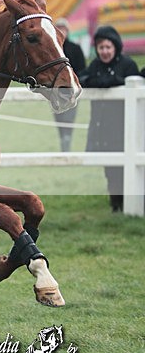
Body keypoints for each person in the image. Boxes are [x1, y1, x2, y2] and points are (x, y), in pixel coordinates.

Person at [79, 25, 139, 212]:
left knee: (127, 168)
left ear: (115, 47)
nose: (104, 52)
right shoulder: (96, 65)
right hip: (103, 126)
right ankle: (116, 205)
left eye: (108, 47)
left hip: (125, 126)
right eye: (101, 48)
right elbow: (83, 79)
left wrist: (108, 82)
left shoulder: (128, 65)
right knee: (110, 169)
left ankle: (131, 203)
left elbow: (134, 84)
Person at [51, 18, 86, 152]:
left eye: (63, 28)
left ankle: (67, 140)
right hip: (55, 92)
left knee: (70, 117)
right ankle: (63, 140)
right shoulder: (53, 49)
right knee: (59, 117)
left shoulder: (75, 49)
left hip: (71, 91)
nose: (61, 31)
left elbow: (82, 68)